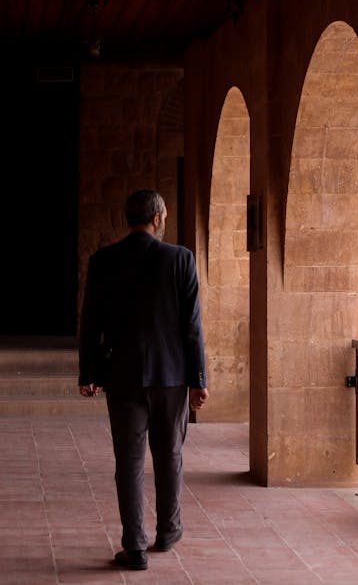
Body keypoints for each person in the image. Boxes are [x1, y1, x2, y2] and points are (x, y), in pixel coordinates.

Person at [78, 189, 209, 571]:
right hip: (172, 377)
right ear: (157, 218)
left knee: (129, 461)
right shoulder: (180, 259)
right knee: (169, 455)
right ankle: (168, 531)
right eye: (164, 213)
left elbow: (91, 324)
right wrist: (198, 378)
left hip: (123, 377)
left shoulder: (103, 260)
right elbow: (192, 327)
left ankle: (133, 546)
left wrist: (88, 372)